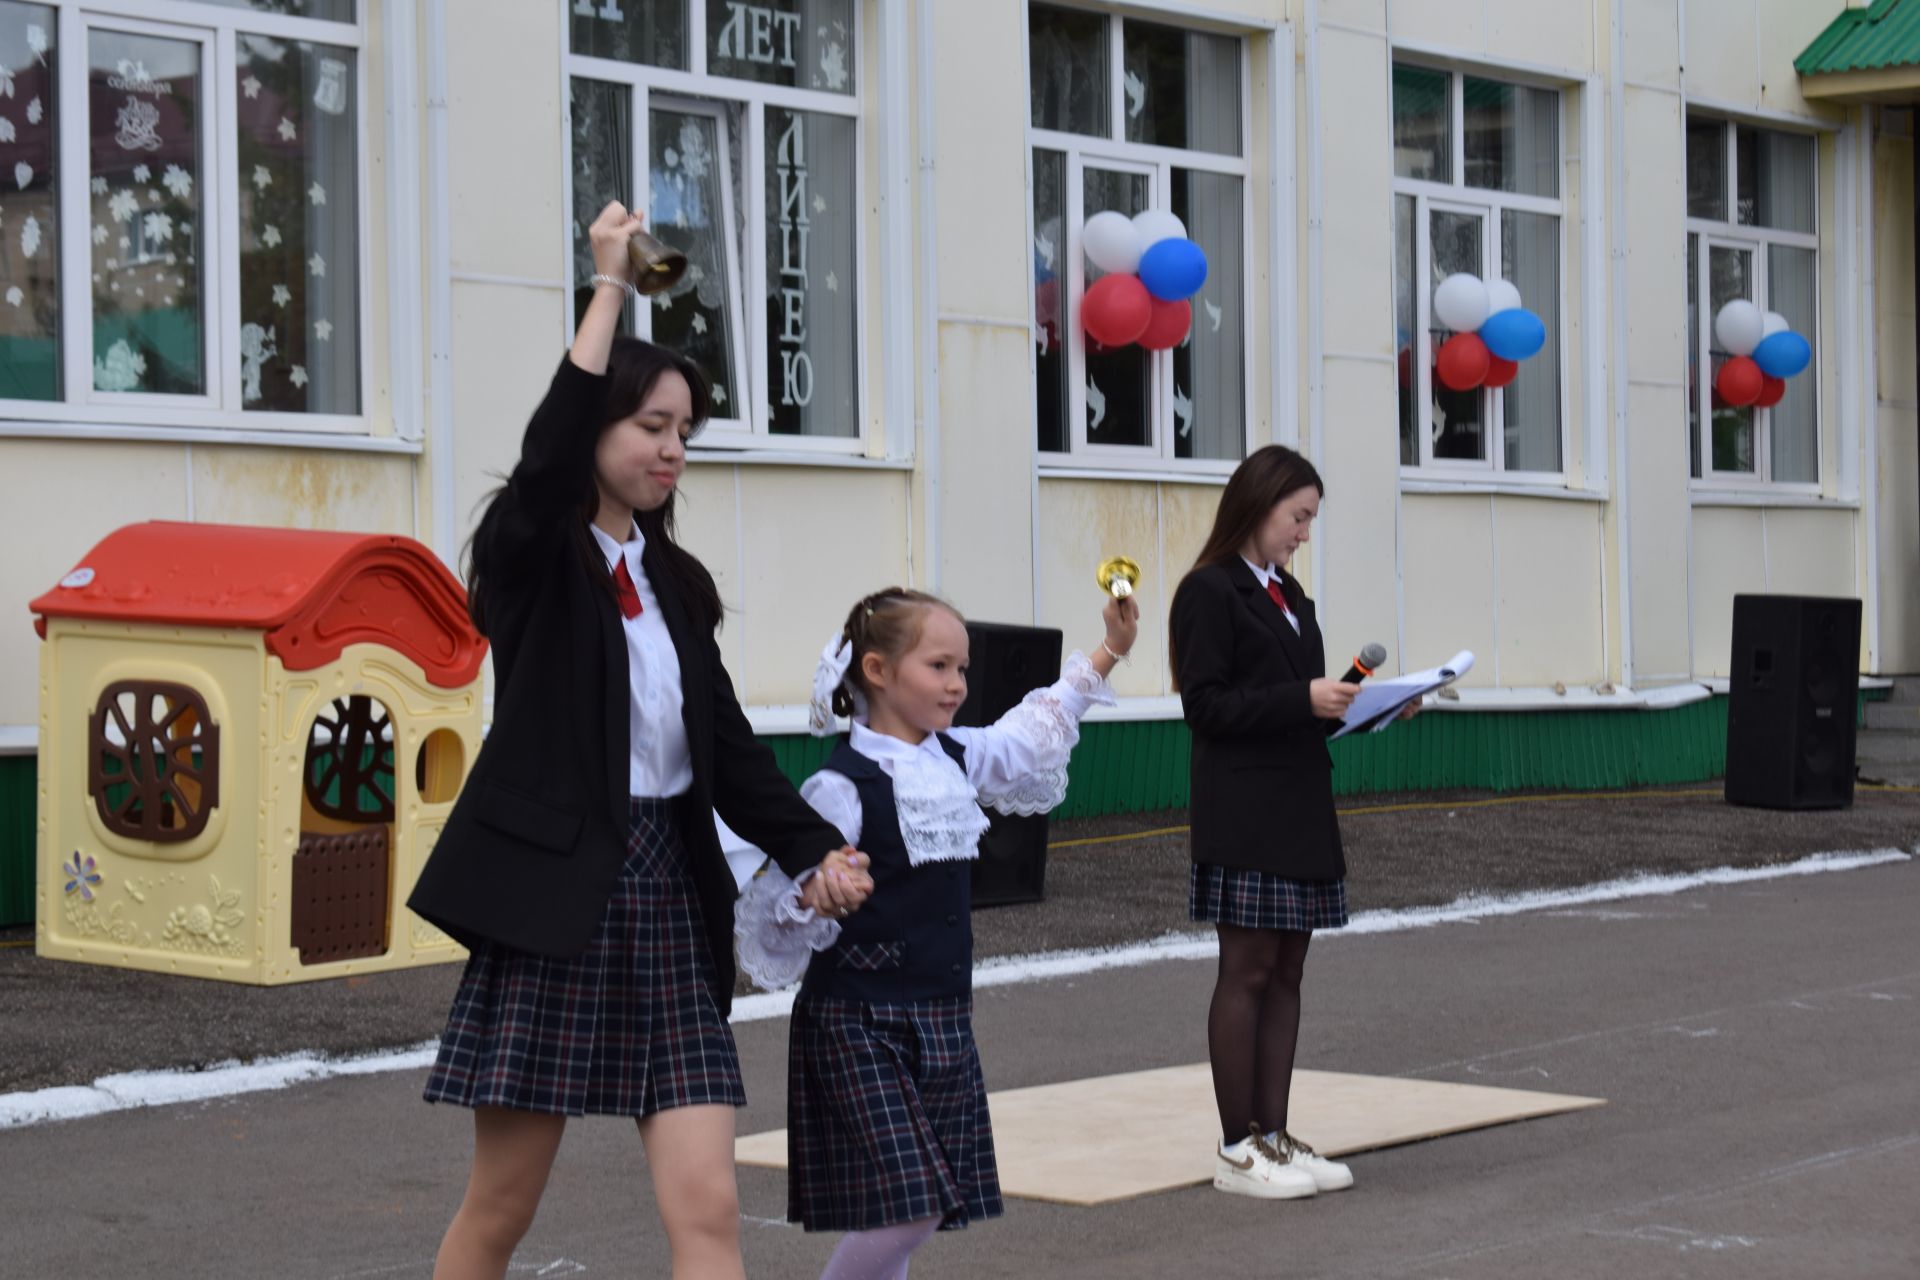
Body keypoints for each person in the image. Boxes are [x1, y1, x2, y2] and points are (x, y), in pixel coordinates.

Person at [407, 201, 873, 1280]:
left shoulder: (676, 582)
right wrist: (609, 285)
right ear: (600, 433)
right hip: (556, 896)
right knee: (501, 1208)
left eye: (682, 432)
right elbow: (544, 456)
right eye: (649, 426)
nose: (670, 448)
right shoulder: (531, 554)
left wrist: (814, 848)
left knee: (708, 1205)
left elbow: (724, 745)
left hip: (671, 888)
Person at [745, 586, 1137, 1280]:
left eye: (962, 668)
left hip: (943, 1018)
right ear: (877, 671)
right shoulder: (841, 787)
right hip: (858, 1022)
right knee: (910, 1207)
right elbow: (778, 907)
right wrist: (819, 892)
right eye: (939, 667)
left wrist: (1108, 651)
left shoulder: (954, 756)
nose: (958, 684)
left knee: (906, 1207)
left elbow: (1032, 730)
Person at [1168, 443, 1401, 1201]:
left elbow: (1309, 709)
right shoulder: (1209, 591)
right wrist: (1303, 699)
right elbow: (1205, 707)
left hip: (1301, 805)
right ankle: (1237, 1148)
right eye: (1297, 516)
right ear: (1257, 504)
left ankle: (1273, 1134)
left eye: (1310, 520)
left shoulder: (1290, 597)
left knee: (1289, 972)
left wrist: (1369, 710)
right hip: (1243, 808)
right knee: (1248, 971)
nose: (1304, 532)